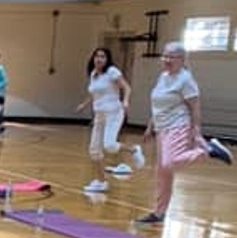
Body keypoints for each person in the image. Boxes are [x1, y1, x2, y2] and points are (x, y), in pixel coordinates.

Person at [136, 41, 232, 224]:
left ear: (182, 59)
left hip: (179, 125)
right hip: (162, 128)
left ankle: (209, 150)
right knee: (163, 171)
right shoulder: (163, 77)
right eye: (164, 56)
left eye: (171, 57)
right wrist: (150, 126)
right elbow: (158, 105)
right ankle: (159, 212)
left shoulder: (185, 79)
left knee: (169, 162)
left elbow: (195, 107)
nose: (166, 60)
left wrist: (196, 133)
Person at [75, 47, 143, 193]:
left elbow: (127, 87)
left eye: (103, 56)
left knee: (110, 145)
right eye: (97, 56)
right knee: (94, 150)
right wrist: (84, 104)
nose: (99, 59)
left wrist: (125, 101)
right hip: (99, 115)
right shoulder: (94, 74)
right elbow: (95, 93)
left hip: (114, 113)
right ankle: (101, 182)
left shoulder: (112, 72)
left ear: (107, 59)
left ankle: (134, 149)